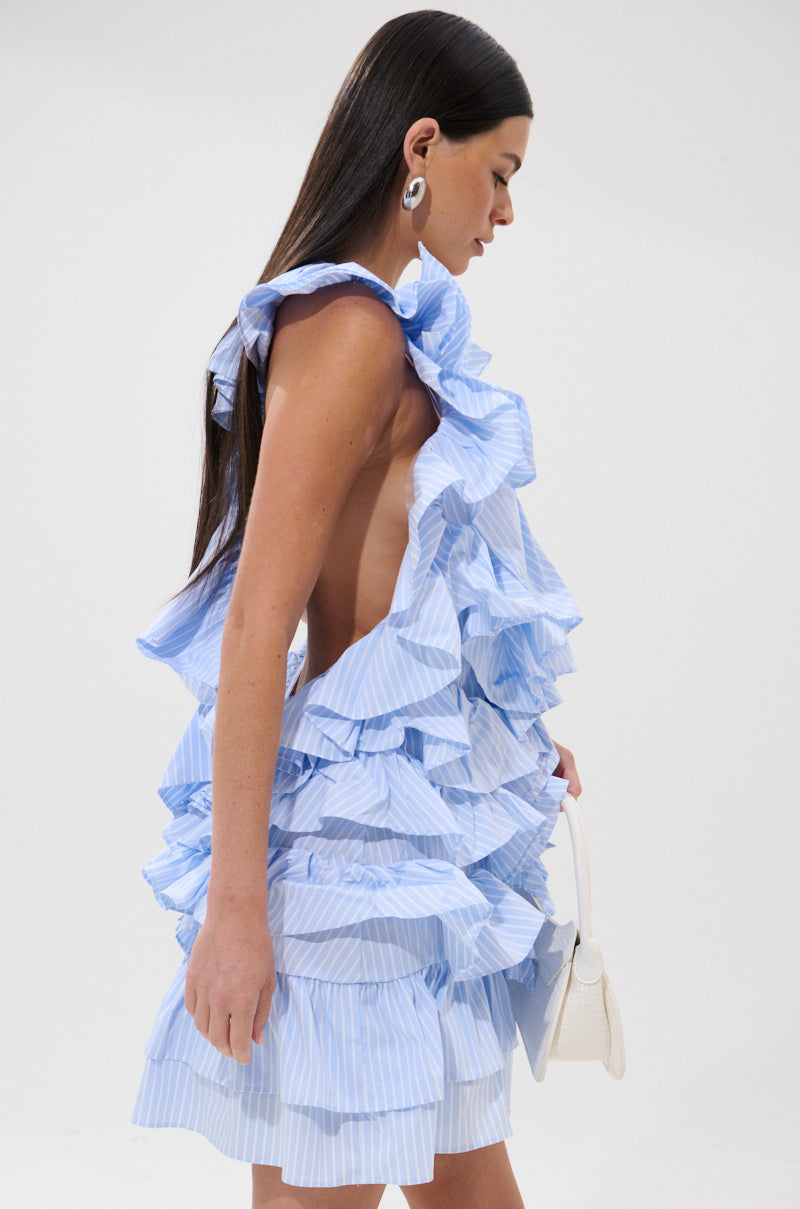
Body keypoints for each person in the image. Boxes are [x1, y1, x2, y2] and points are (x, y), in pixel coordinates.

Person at [131, 10, 584, 1208]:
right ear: (421, 147)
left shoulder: (371, 331)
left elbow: (389, 593)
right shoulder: (353, 332)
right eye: (498, 174)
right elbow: (257, 624)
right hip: (354, 875)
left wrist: (505, 752)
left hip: (400, 854)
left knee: (467, 1184)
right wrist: (236, 908)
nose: (500, 212)